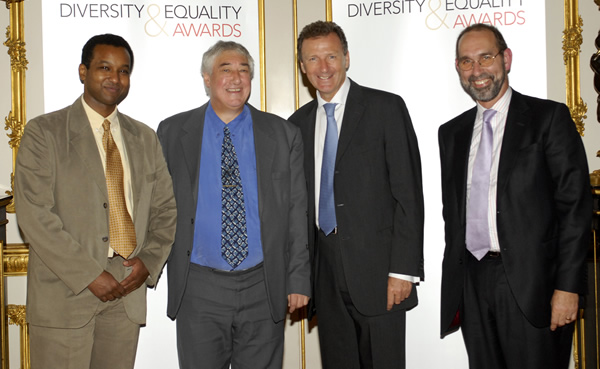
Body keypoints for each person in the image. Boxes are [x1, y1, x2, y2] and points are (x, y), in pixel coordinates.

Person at [14, 33, 177, 369]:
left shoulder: (144, 137)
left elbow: (165, 210)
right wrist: (90, 274)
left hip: (127, 290)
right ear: (82, 71)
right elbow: (35, 216)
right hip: (66, 293)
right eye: (105, 67)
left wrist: (148, 260)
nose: (115, 78)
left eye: (123, 70)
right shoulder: (45, 132)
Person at [438, 23, 592, 369]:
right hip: (472, 282)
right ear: (458, 68)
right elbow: (453, 216)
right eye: (466, 61)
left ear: (506, 58)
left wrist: (568, 287)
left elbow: (575, 210)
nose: (476, 70)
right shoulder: (452, 134)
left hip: (533, 286)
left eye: (485, 57)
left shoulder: (548, 119)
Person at [157, 40, 310, 369]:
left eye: (244, 71)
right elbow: (157, 208)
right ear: (207, 78)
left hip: (263, 284)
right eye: (226, 70)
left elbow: (298, 213)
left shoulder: (283, 134)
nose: (236, 78)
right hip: (199, 287)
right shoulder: (172, 132)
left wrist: (298, 279)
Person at [289, 20, 425, 369]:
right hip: (325, 279)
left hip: (381, 277)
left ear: (347, 58)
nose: (323, 68)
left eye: (331, 56)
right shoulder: (296, 125)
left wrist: (403, 271)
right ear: (303, 67)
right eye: (313, 60)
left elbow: (408, 195)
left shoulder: (386, 109)